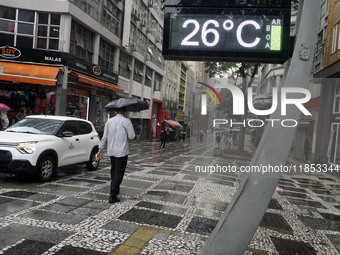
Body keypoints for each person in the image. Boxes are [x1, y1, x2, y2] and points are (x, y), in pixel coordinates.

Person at [96, 108, 135, 203]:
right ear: (125, 111)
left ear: (116, 111)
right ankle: (112, 194)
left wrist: (100, 150)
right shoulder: (126, 121)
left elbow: (104, 137)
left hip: (111, 151)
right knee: (119, 173)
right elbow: (132, 136)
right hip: (121, 152)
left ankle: (115, 191)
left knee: (114, 171)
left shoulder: (109, 121)